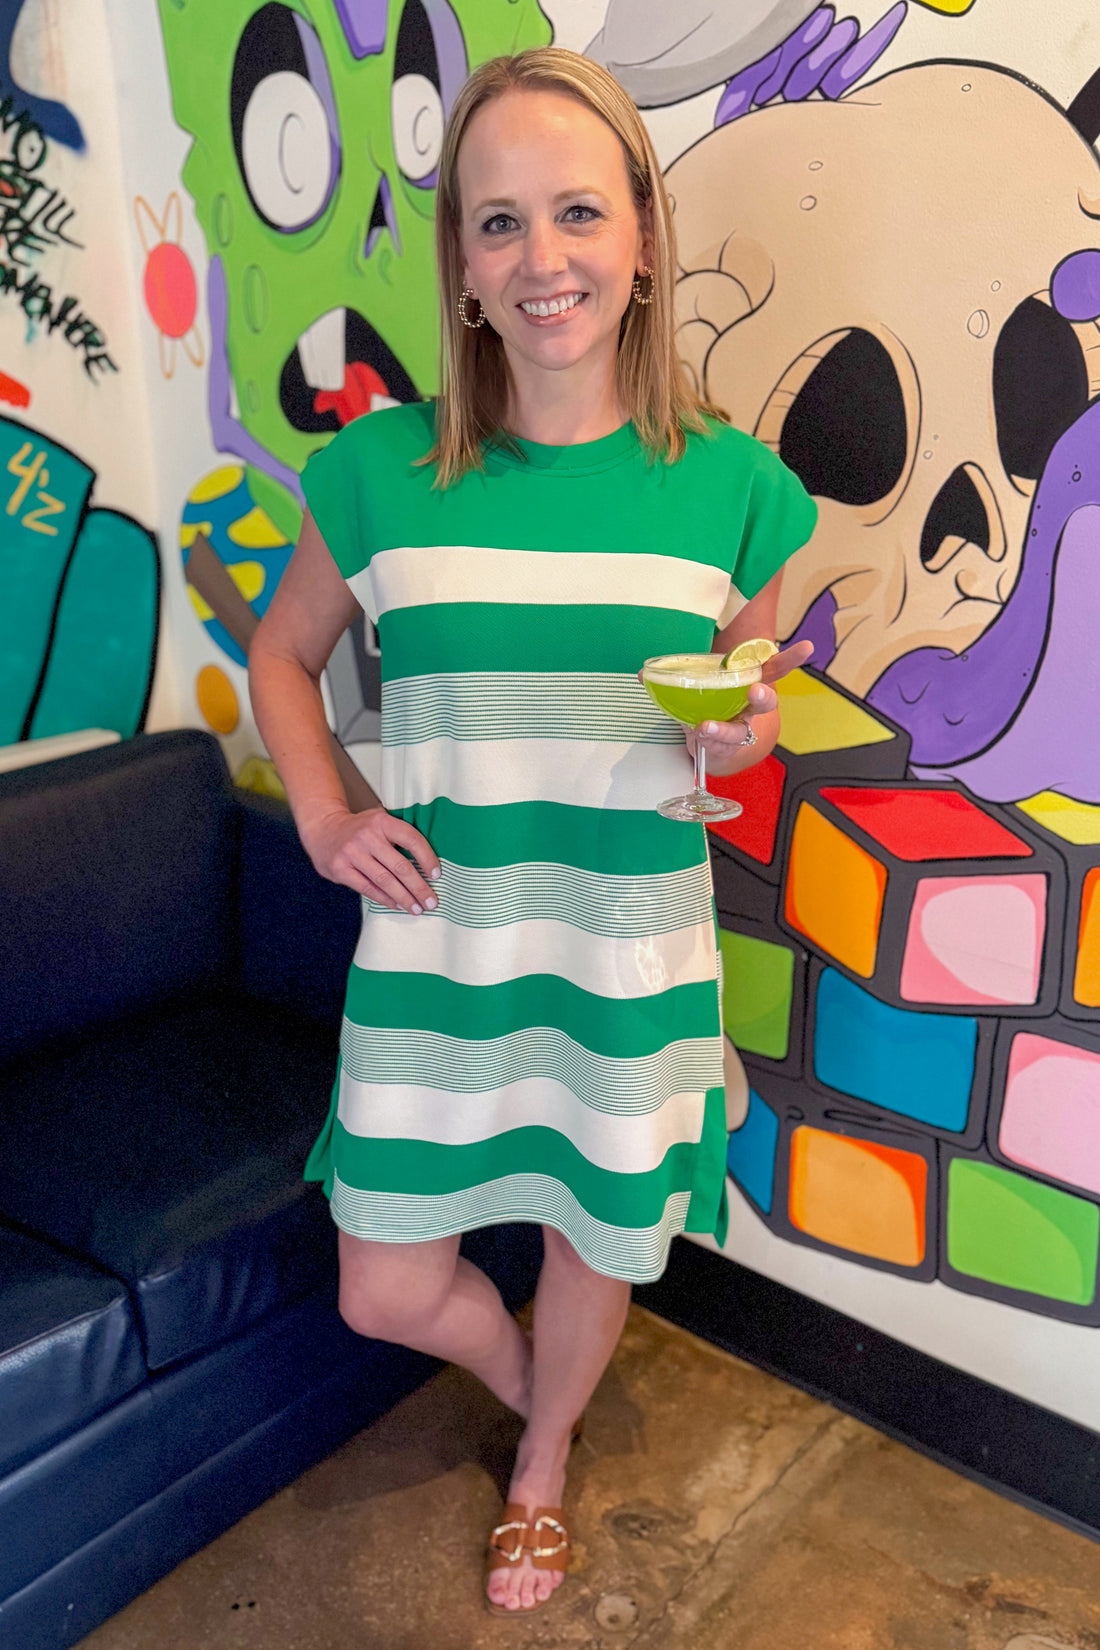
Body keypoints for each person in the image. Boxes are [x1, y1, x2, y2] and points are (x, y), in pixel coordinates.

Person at [248, 45, 816, 1618]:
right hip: (437, 944)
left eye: (576, 211)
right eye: (496, 223)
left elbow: (734, 728)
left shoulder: (740, 496)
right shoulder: (377, 471)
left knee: (598, 1240)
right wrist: (321, 810)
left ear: (642, 237)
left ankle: (547, 1456)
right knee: (385, 1282)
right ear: (463, 264)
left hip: (625, 949)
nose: (539, 257)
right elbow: (282, 660)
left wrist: (744, 734)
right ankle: (517, 1383)